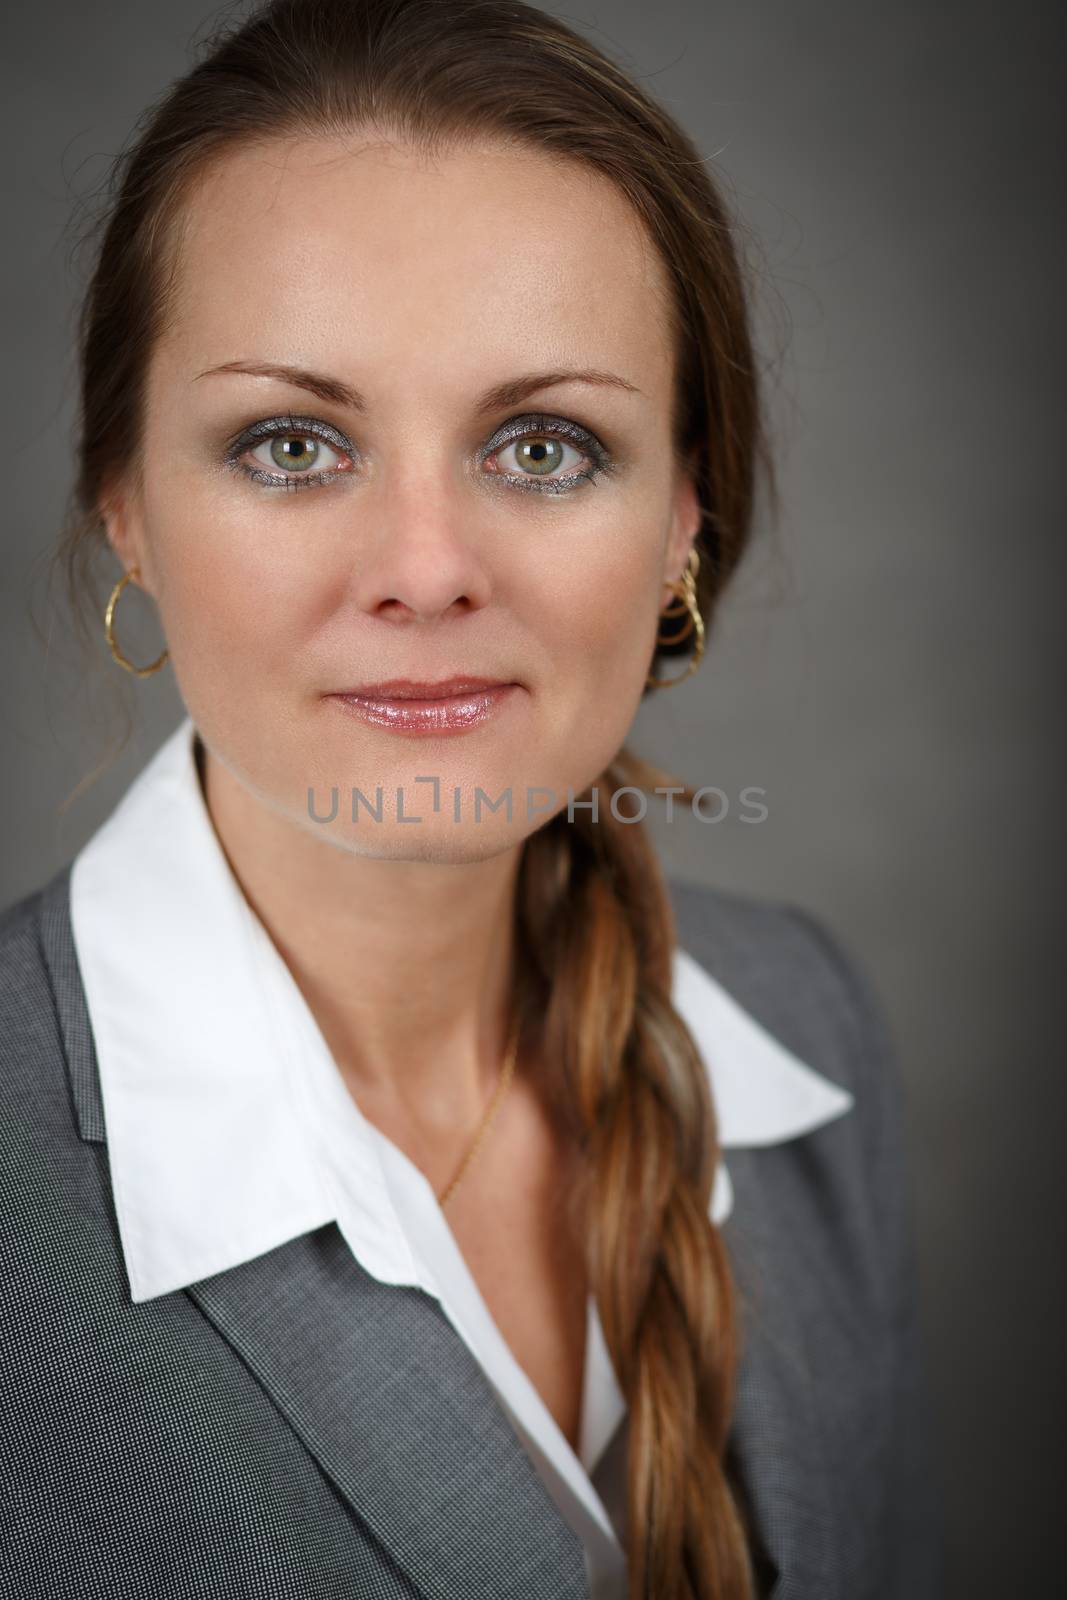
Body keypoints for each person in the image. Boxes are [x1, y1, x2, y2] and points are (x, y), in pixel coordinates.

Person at [0, 1, 943, 1596]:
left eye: (547, 446)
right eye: (293, 444)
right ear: (126, 506)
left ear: (681, 530)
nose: (428, 570)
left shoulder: (807, 1026)